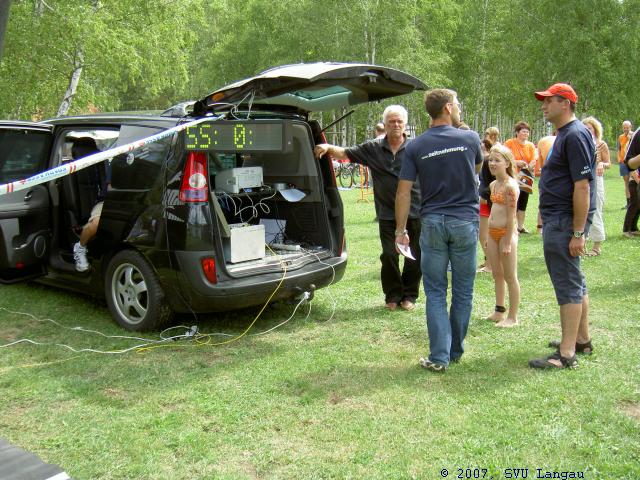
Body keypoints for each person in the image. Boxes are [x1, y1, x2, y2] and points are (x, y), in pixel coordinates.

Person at [395, 89, 482, 372]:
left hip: (432, 222)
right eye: (457, 104)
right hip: (464, 222)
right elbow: (477, 170)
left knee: (434, 291)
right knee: (463, 290)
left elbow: (403, 191)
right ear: (447, 108)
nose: (459, 109)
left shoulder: (416, 146)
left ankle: (439, 356)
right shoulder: (470, 139)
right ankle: (454, 352)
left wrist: (400, 230)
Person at [314, 105, 421, 311]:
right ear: (385, 125)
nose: (396, 125)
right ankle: (393, 295)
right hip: (387, 213)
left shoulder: (416, 148)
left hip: (415, 210)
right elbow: (345, 152)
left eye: (399, 121)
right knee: (389, 254)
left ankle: (409, 296)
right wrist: (327, 147)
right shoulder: (373, 148)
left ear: (405, 124)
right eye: (392, 122)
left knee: (415, 255)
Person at [529, 83, 595, 370]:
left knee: (567, 284)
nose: (544, 106)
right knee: (575, 280)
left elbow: (583, 187)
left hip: (564, 220)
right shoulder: (568, 134)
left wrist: (578, 232)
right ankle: (581, 340)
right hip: (561, 218)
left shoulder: (575, 134)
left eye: (549, 101)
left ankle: (566, 354)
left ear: (565, 103)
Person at [485, 145, 520, 328]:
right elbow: (493, 212)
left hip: (506, 235)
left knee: (510, 276)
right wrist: (487, 236)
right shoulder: (493, 185)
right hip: (492, 233)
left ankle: (512, 317)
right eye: (491, 160)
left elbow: (511, 216)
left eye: (497, 160)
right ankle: (499, 311)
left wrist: (507, 241)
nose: (492, 163)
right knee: (496, 273)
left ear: (507, 163)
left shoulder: (510, 186)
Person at [71, 137, 108, 272]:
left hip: (115, 199)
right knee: (97, 223)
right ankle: (80, 248)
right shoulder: (72, 168)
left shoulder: (104, 162)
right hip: (100, 201)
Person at [582, 117, 610, 255]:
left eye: (590, 128)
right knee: (582, 210)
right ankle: (582, 243)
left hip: (596, 179)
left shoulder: (601, 144)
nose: (587, 131)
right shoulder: (580, 143)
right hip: (582, 178)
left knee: (596, 208)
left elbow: (608, 163)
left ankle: (596, 246)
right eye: (585, 129)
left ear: (595, 129)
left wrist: (601, 164)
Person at [504, 122, 537, 234]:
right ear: (517, 132)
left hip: (525, 176)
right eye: (523, 131)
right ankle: (511, 225)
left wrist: (530, 165)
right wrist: (516, 162)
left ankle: (520, 226)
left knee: (523, 200)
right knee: (513, 200)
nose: (526, 134)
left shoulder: (530, 145)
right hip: (512, 176)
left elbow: (534, 159)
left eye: (527, 132)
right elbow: (504, 157)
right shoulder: (509, 143)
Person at [478, 127, 500, 273]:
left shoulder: (488, 161)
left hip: (488, 202)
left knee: (485, 235)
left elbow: (491, 183)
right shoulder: (487, 161)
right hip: (488, 201)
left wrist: (485, 196)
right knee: (486, 235)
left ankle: (490, 264)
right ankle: (489, 261)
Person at [535, 134, 556, 232]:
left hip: (545, 176)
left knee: (543, 202)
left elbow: (540, 165)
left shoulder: (544, 141)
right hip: (550, 178)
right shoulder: (546, 141)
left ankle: (540, 227)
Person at [622, 127, 640, 236]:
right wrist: (637, 179)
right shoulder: (629, 147)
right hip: (634, 180)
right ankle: (626, 229)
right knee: (634, 205)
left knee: (637, 206)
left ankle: (633, 228)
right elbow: (629, 164)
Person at [617, 121, 633, 209]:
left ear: (631, 127)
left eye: (627, 127)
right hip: (623, 163)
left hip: (632, 162)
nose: (626, 129)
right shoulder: (620, 137)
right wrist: (619, 158)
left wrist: (630, 138)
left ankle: (634, 202)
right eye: (624, 127)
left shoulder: (634, 136)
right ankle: (628, 203)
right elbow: (619, 149)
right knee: (626, 183)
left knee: (632, 182)